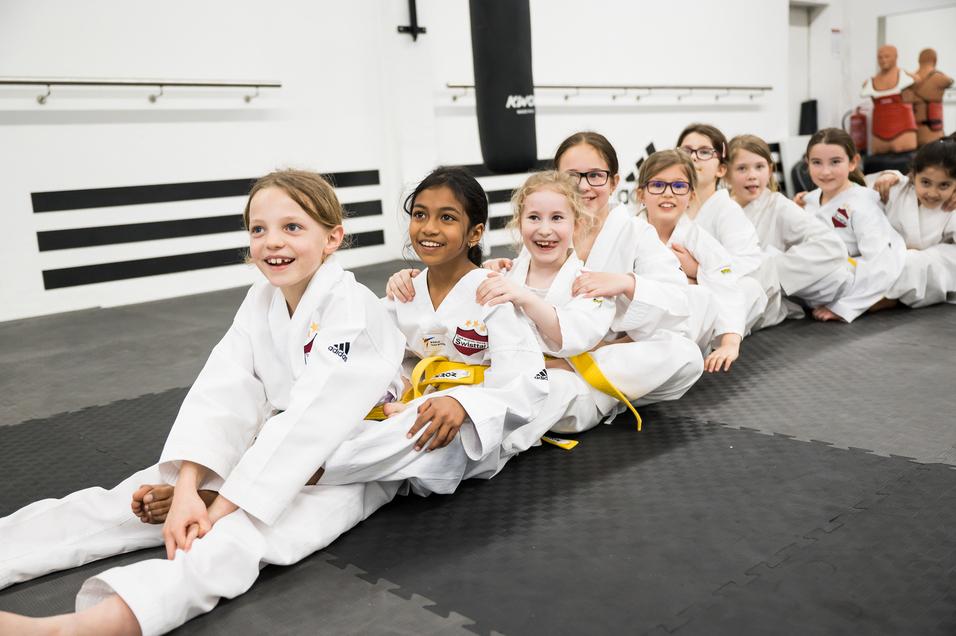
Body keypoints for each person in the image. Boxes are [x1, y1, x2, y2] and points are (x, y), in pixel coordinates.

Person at [0, 170, 408, 635]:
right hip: (274, 446)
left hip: (351, 463)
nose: (273, 242)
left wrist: (218, 508)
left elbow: (313, 421)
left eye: (292, 227)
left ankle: (86, 626)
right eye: (259, 229)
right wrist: (190, 488)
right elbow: (222, 390)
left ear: (332, 237)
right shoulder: (261, 300)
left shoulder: (351, 307)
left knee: (239, 537)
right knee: (126, 500)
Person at [389, 132, 703, 408]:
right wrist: (484, 272)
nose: (584, 186)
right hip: (535, 351)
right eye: (572, 176)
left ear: (614, 181)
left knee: (683, 354)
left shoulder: (635, 232)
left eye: (595, 175)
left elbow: (678, 299)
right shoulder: (543, 232)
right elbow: (517, 291)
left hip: (612, 346)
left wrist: (625, 282)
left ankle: (563, 377)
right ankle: (559, 384)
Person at [317, 166, 550, 492]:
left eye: (447, 218)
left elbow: (527, 385)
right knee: (355, 437)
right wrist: (389, 393)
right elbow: (381, 360)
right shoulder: (405, 293)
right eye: (420, 215)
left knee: (413, 441)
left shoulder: (493, 295)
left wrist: (462, 404)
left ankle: (311, 468)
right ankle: (319, 465)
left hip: (468, 430)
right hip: (411, 410)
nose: (429, 228)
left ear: (475, 233)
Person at [474, 170, 620, 436]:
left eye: (557, 218)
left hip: (567, 390)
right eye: (533, 217)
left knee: (549, 386)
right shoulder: (504, 275)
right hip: (508, 382)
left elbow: (576, 336)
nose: (544, 229)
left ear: (576, 224)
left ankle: (489, 440)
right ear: (519, 223)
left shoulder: (589, 283)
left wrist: (524, 297)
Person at [636, 149, 746, 372]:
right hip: (632, 326)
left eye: (678, 186)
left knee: (698, 293)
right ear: (640, 195)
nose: (668, 194)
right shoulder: (628, 233)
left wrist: (729, 344)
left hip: (679, 334)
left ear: (691, 196)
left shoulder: (698, 240)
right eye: (657, 185)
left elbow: (726, 288)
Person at [726, 134, 851, 326]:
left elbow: (832, 245)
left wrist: (769, 272)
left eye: (759, 167)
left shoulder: (777, 205)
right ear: (726, 173)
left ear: (770, 170)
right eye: (742, 168)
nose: (752, 175)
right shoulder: (722, 207)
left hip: (760, 288)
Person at [801, 128, 906, 322]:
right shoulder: (811, 200)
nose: (825, 171)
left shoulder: (862, 203)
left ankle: (881, 301)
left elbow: (882, 264)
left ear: (853, 162)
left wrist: (844, 307)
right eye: (817, 162)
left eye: (835, 162)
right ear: (808, 164)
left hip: (853, 275)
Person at [676, 123, 769, 332]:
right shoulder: (669, 206)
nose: (694, 157)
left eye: (705, 152)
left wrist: (698, 270)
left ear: (721, 169)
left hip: (714, 292)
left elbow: (747, 262)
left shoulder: (727, 211)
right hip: (678, 289)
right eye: (686, 151)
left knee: (750, 288)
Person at [869, 139, 956, 308]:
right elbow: (850, 195)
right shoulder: (894, 188)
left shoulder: (952, 205)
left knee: (911, 261)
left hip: (930, 265)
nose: (932, 193)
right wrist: (806, 198)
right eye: (925, 182)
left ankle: (884, 299)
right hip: (887, 256)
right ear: (913, 175)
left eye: (944, 185)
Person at [862, 44, 918, 155]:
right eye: (880, 57)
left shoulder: (907, 78)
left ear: (895, 57)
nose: (883, 60)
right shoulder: (869, 83)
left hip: (904, 133)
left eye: (887, 56)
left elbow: (917, 81)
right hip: (879, 136)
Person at [903, 48, 954, 147]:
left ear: (919, 60)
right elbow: (950, 81)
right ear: (935, 60)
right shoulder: (939, 77)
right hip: (933, 133)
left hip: (912, 134)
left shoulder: (909, 79)